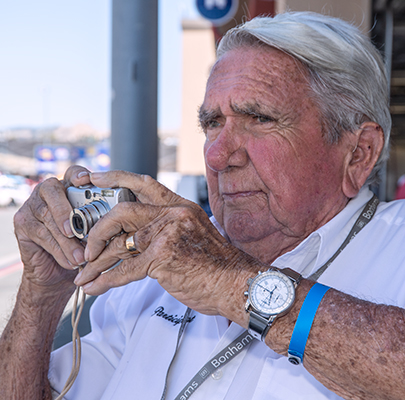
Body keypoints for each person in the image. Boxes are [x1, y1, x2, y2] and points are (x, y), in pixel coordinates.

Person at [1, 11, 405, 400]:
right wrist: (42, 293)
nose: (216, 156)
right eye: (212, 123)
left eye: (260, 119)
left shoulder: (396, 242)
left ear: (358, 153)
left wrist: (231, 283)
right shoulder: (158, 267)